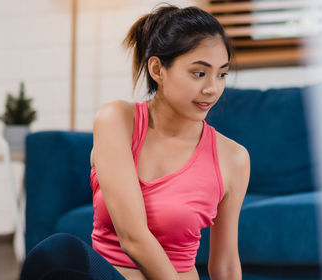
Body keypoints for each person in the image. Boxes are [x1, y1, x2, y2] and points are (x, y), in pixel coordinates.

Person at [20, 4, 250, 280]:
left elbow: (224, 265)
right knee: (58, 252)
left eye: (221, 74)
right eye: (199, 73)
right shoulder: (117, 120)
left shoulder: (233, 158)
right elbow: (132, 237)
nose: (212, 88)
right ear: (157, 69)